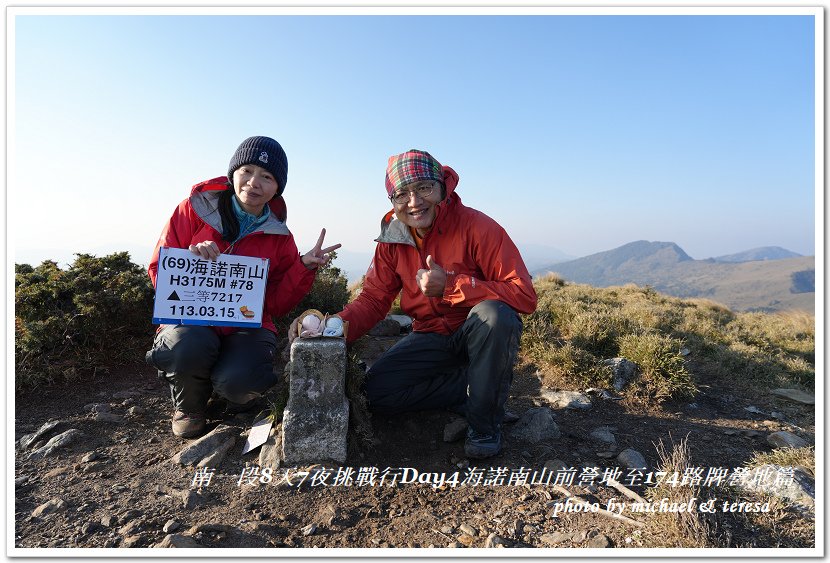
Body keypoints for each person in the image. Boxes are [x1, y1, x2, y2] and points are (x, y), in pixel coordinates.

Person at [293, 149, 537, 459]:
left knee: (495, 315)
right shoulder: (392, 237)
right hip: (430, 335)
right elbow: (373, 299)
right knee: (377, 394)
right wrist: (330, 327)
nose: (414, 201)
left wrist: (451, 285)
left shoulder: (478, 227)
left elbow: (524, 295)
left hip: (476, 332)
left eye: (424, 187)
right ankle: (473, 386)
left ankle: (484, 425)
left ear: (442, 188)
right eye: (402, 193)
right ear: (392, 201)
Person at [147, 136, 340, 438]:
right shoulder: (192, 210)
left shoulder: (280, 236)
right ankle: (190, 407)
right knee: (186, 345)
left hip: (247, 326)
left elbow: (275, 304)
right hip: (191, 321)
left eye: (267, 176)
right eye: (246, 171)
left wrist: (303, 268)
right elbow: (160, 267)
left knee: (240, 380)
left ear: (277, 188)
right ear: (232, 173)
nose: (254, 182)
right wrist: (191, 259)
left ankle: (230, 394)